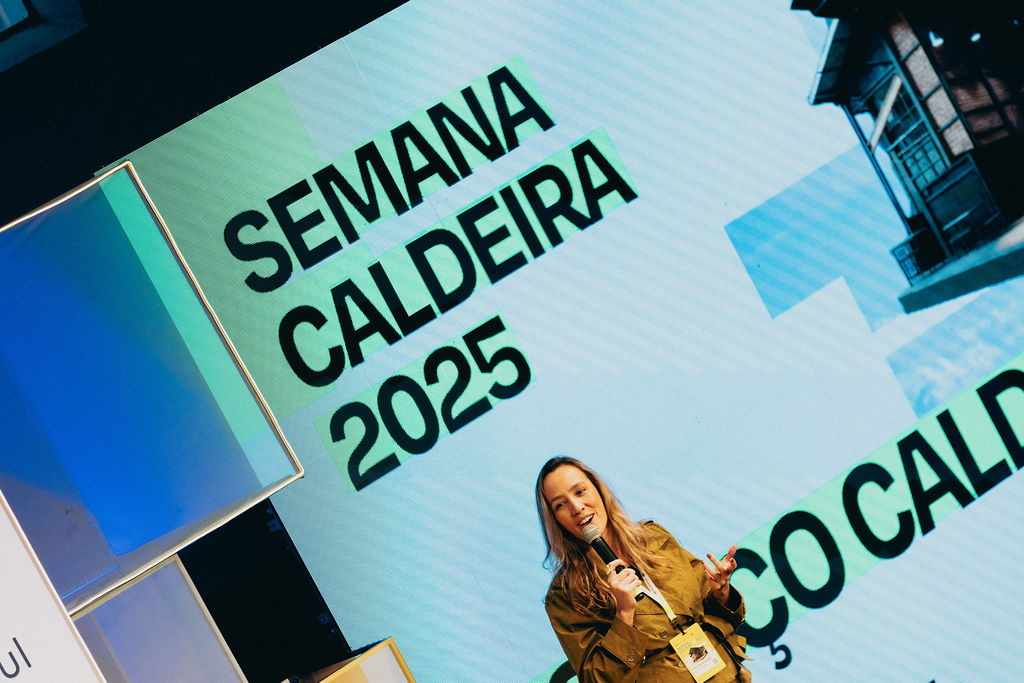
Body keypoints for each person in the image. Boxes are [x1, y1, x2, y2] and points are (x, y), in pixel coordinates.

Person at [537, 456, 751, 682]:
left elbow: (723, 616)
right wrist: (624, 614)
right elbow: (597, 679)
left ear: (599, 490)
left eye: (580, 492)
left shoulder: (653, 536)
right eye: (560, 505)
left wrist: (721, 593)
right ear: (554, 519)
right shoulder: (565, 595)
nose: (576, 507)